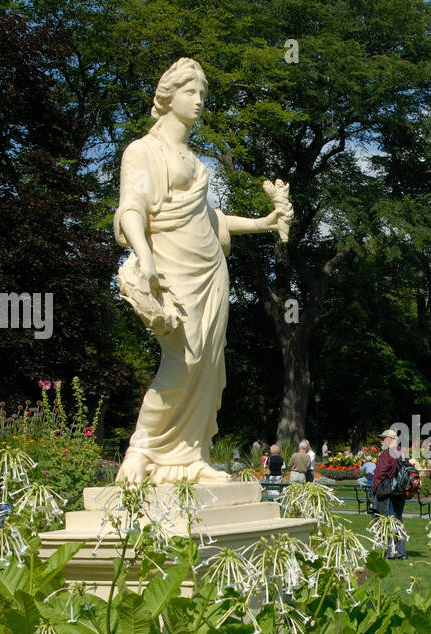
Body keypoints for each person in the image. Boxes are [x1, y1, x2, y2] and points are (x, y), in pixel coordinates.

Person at [112, 58, 288, 485]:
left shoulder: (195, 160)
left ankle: (190, 458)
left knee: (207, 366)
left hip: (210, 272)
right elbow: (131, 209)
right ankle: (142, 450)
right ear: (168, 96)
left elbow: (212, 220)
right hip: (172, 273)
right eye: (192, 92)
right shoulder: (143, 152)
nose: (199, 102)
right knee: (183, 363)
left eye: (203, 95)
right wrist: (146, 257)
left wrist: (265, 222)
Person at [372, 429, 407, 559]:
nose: (381, 441)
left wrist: (375, 490)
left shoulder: (387, 454)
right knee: (398, 521)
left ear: (391, 439)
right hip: (400, 493)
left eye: (384, 438)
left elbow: (380, 474)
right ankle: (401, 553)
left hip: (387, 493)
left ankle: (390, 552)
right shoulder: (402, 453)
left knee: (387, 522)